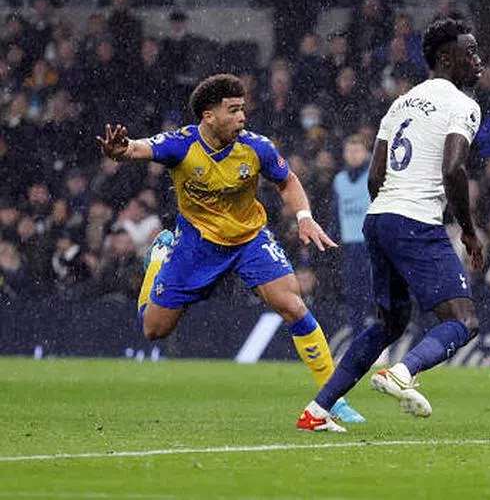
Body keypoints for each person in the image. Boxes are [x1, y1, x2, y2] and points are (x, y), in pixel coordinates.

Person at [96, 74, 363, 423]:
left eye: (243, 109)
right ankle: (160, 258)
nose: (242, 117)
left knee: (293, 305)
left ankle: (332, 397)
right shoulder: (182, 145)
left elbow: (287, 180)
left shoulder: (256, 147)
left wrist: (304, 217)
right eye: (233, 110)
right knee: (154, 330)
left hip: (249, 239)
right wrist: (122, 150)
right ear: (209, 116)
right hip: (197, 244)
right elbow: (139, 147)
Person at [297, 17, 485, 432]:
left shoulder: (400, 103)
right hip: (416, 221)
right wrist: (468, 231)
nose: (478, 60)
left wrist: (391, 215)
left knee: (390, 323)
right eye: (470, 53)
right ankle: (403, 373)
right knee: (463, 320)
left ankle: (317, 410)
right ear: (445, 59)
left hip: (379, 218)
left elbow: (375, 176)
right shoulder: (463, 105)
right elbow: (453, 168)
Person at [331, 135, 374, 332]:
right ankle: (358, 334)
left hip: (372, 244)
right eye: (349, 151)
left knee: (373, 291)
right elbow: (335, 212)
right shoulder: (339, 180)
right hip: (349, 245)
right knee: (353, 294)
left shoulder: (373, 175)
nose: (353, 155)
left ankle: (379, 333)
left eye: (357, 150)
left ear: (366, 153)